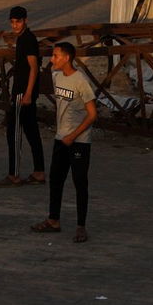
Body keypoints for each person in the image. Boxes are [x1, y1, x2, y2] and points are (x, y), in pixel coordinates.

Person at [32, 42, 98, 243]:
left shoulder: (81, 81)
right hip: (60, 139)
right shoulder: (56, 76)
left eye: (56, 56)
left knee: (79, 182)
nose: (52, 60)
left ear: (67, 57)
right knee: (56, 180)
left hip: (79, 142)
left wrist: (73, 135)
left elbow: (92, 114)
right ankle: (53, 220)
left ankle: (81, 226)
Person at [0, 7, 45, 188]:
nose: (15, 25)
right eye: (13, 22)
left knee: (14, 133)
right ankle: (39, 172)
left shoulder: (27, 40)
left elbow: (33, 67)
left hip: (23, 93)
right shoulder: (24, 38)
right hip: (25, 92)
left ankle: (14, 175)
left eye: (18, 22)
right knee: (32, 131)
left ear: (25, 21)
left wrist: (28, 93)